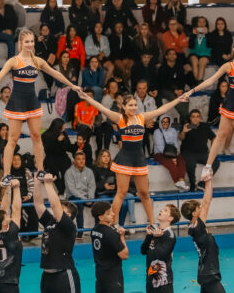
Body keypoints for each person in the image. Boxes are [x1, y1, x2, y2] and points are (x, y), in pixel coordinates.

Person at [74, 88, 185, 226]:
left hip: (139, 159)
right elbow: (101, 108)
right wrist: (87, 98)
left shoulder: (141, 117)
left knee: (144, 193)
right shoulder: (120, 118)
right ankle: (113, 224)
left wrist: (178, 99)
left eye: (135, 105)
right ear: (124, 107)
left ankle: (153, 224)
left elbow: (162, 110)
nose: (133, 108)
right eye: (130, 105)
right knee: (121, 192)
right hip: (125, 159)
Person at [0, 29, 79, 184]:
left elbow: (56, 74)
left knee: (37, 136)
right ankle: (6, 174)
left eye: (32, 41)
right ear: (21, 43)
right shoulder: (14, 61)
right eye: (27, 41)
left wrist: (72, 86)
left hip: (32, 101)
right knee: (13, 139)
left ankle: (40, 171)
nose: (30, 44)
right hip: (17, 101)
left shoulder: (38, 61)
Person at [188, 39, 234, 181]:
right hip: (231, 104)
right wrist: (193, 90)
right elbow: (210, 80)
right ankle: (207, 167)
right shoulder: (228, 66)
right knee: (221, 136)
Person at [33, 174, 84, 293]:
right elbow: (38, 204)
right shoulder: (51, 223)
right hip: (48, 276)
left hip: (65, 274)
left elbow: (54, 205)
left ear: (68, 214)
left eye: (61, 209)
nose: (55, 209)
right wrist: (37, 183)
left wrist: (49, 184)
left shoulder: (68, 226)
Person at [176, 179, 231, 293]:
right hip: (210, 274)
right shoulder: (198, 226)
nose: (202, 209)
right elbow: (207, 201)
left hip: (204, 272)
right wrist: (209, 181)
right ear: (194, 213)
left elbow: (206, 202)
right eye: (198, 209)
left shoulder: (195, 226)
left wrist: (209, 182)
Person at [180, 109, 219, 191]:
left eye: (197, 117)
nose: (195, 119)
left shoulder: (204, 126)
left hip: (203, 153)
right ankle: (192, 185)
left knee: (216, 162)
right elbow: (181, 138)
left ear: (200, 118)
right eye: (193, 117)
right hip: (188, 152)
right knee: (190, 164)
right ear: (190, 118)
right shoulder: (186, 126)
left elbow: (213, 137)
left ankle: (202, 183)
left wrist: (213, 148)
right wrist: (183, 132)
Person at [152, 116, 189, 191]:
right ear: (160, 123)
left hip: (172, 152)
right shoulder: (157, 132)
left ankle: (181, 181)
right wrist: (171, 157)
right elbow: (160, 147)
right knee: (170, 162)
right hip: (160, 153)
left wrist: (175, 155)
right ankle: (177, 182)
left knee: (181, 160)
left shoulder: (173, 131)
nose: (165, 123)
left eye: (167, 122)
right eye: (163, 122)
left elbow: (175, 143)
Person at [64, 151, 96, 234]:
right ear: (74, 161)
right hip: (73, 196)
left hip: (87, 196)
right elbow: (72, 190)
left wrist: (90, 197)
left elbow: (92, 186)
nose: (81, 161)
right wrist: (85, 199)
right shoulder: (69, 172)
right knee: (79, 204)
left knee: (100, 205)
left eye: (83, 159)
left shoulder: (89, 171)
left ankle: (98, 230)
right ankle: (80, 231)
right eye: (78, 159)